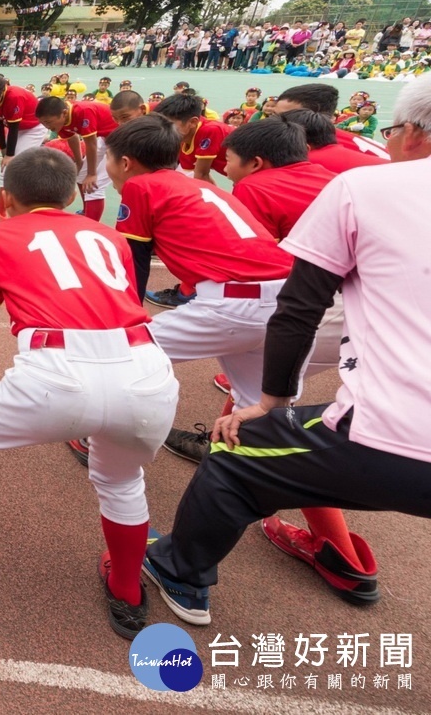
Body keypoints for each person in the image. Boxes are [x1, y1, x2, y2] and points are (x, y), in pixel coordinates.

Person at [141, 76, 431, 626]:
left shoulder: (353, 187)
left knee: (249, 445)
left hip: (299, 320)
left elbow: (291, 300)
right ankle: (336, 551)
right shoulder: (345, 169)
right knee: (284, 432)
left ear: (412, 133)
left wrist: (275, 402)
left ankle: (186, 569)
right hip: (302, 317)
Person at [0, 147, 177, 639]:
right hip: (145, 368)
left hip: (55, 370)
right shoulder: (109, 237)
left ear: (7, 194)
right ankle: (127, 593)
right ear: (70, 194)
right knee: (122, 482)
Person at [68, 115, 293, 465]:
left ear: (125, 163)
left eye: (109, 159)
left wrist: (126, 326)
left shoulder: (141, 187)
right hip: (285, 302)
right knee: (260, 409)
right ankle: (253, 471)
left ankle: (102, 442)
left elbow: (135, 263)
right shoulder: (202, 185)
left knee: (116, 354)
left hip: (231, 306)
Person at [0, 75, 47, 221]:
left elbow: (13, 128)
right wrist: (3, 149)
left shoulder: (14, 96)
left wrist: (9, 154)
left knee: (10, 166)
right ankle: (10, 196)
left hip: (33, 128)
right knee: (7, 164)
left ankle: (0, 213)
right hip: (18, 128)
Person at [34, 95, 118, 221]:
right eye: (43, 123)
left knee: (95, 185)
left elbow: (91, 144)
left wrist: (92, 174)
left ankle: (90, 226)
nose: (47, 127)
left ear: (63, 113)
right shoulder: (62, 118)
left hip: (121, 140)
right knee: (81, 175)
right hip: (106, 138)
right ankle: (87, 211)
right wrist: (79, 163)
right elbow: (72, 138)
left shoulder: (83, 111)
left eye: (48, 122)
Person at [155, 93, 232, 184]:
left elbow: (201, 175)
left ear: (192, 122)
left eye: (169, 125)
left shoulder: (210, 130)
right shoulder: (183, 139)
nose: (162, 128)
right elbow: (198, 176)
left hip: (250, 173)